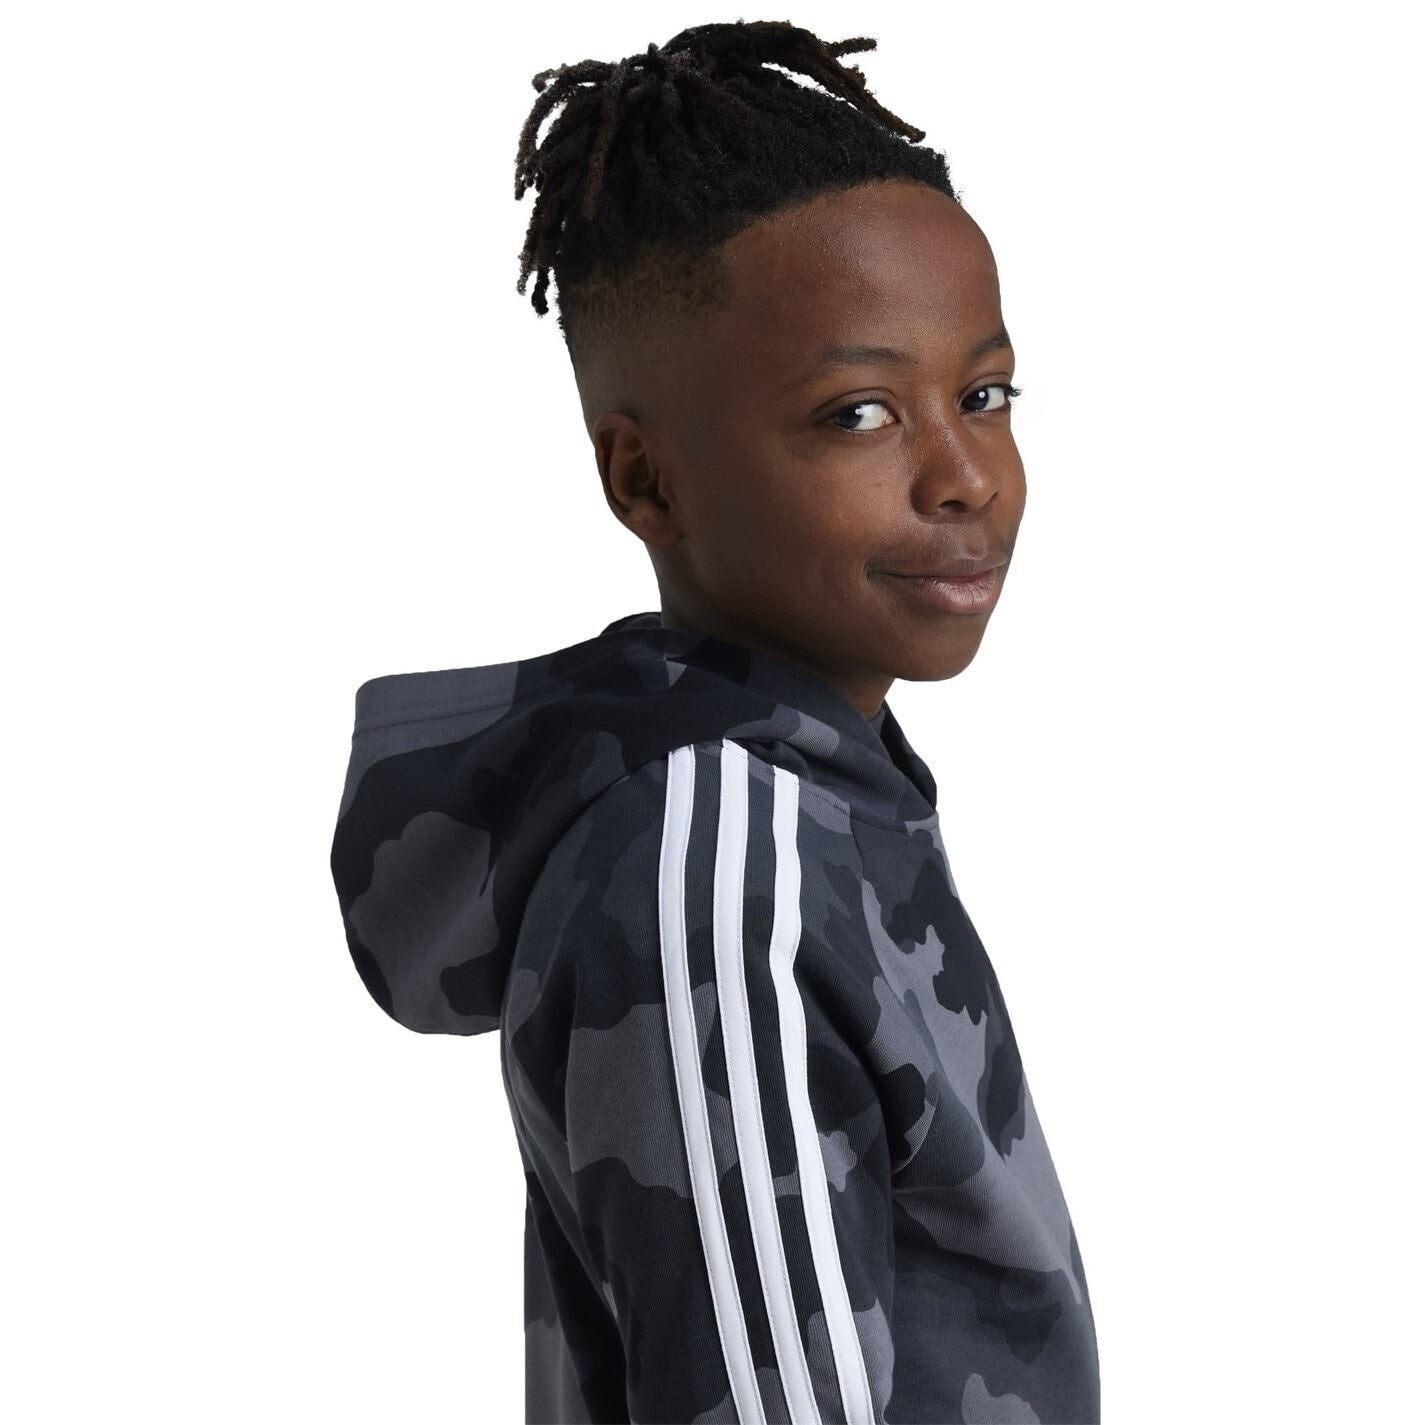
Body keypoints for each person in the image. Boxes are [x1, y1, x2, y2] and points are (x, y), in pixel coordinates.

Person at [330, 19, 1100, 1424]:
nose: (966, 475)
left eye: (983, 395)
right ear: (646, 481)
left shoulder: (818, 795)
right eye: (858, 414)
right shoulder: (714, 879)